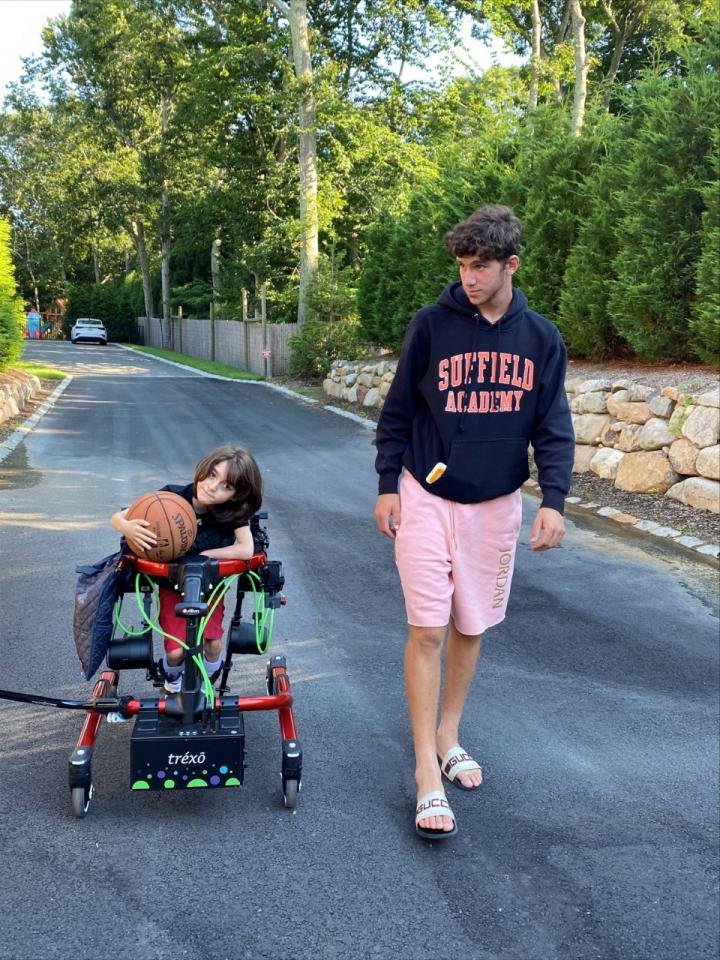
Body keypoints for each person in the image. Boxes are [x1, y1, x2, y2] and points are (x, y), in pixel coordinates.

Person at [374, 205, 574, 841]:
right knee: (428, 629)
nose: (469, 277)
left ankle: (448, 734)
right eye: (462, 266)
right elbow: (399, 409)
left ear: (510, 265)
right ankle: (424, 773)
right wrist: (387, 486)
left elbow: (552, 424)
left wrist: (554, 500)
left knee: (471, 623)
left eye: (481, 266)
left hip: (495, 504)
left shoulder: (541, 339)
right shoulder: (432, 326)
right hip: (425, 494)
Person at [111, 443, 262, 693]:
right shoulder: (170, 499)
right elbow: (118, 517)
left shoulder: (231, 512)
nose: (213, 486)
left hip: (209, 588)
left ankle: (206, 683)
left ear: (235, 495)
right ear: (204, 468)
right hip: (172, 586)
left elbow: (246, 548)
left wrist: (204, 556)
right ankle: (171, 678)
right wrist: (126, 527)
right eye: (213, 475)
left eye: (226, 486)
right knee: (177, 652)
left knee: (213, 644)